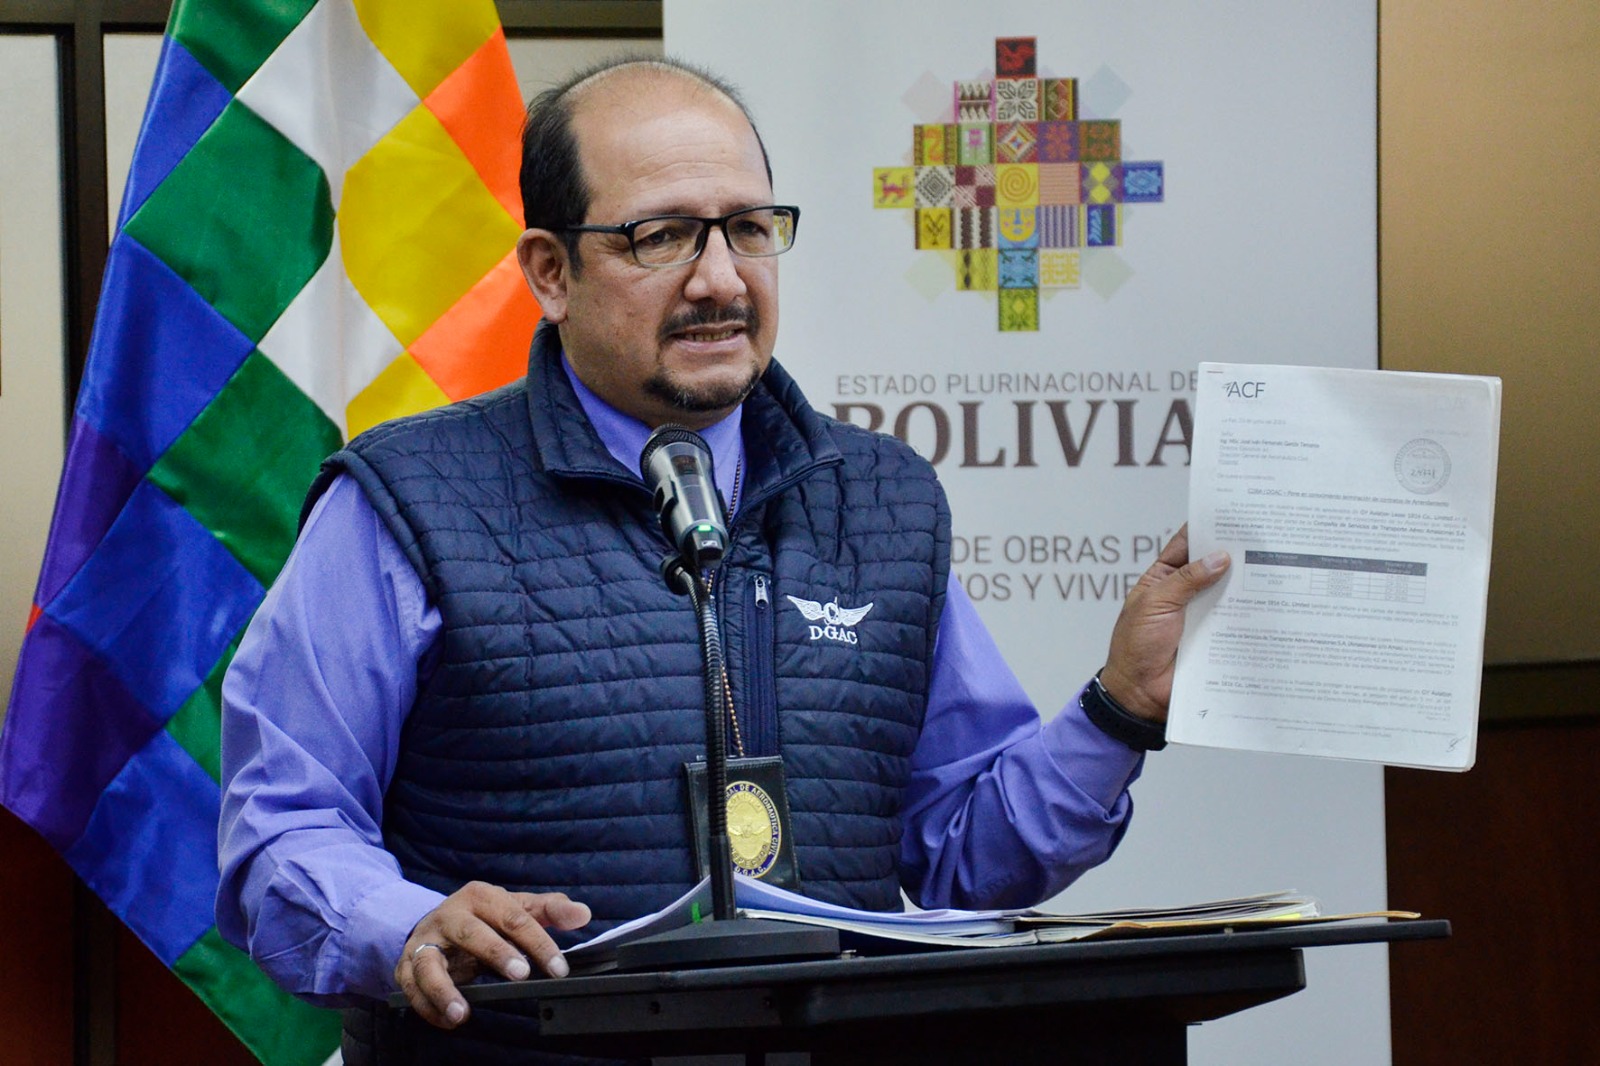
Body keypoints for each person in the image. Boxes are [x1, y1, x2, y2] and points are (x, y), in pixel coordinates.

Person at [216, 55, 1229, 1062]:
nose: (719, 278)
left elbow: (967, 856)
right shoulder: (406, 501)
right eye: (660, 236)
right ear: (549, 271)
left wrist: (1119, 709)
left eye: (749, 228)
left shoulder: (882, 500)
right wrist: (406, 925)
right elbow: (282, 828)